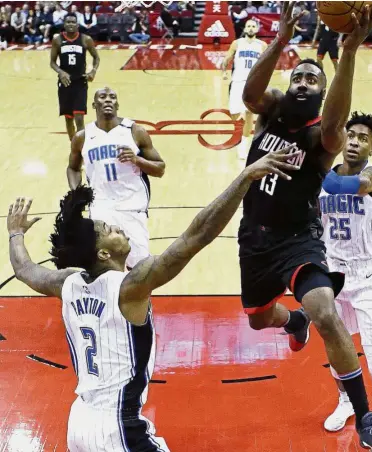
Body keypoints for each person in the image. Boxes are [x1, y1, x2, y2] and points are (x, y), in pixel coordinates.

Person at [7, 147, 298, 452]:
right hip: (119, 428)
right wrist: (245, 177)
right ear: (104, 253)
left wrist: (15, 233)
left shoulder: (65, 282)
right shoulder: (130, 285)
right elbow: (196, 236)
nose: (117, 227)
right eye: (109, 230)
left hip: (79, 422)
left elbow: (25, 269)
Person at [239, 3, 372, 451]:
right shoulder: (270, 111)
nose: (305, 83)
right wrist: (279, 39)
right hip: (254, 239)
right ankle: (293, 321)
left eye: (315, 79)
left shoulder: (321, 137)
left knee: (327, 315)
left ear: (324, 92)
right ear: (289, 84)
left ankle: (368, 419)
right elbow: (250, 96)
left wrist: (347, 53)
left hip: (303, 242)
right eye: (300, 77)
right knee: (258, 320)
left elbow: (334, 132)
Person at [319, 112, 372, 439]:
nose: (354, 141)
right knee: (337, 349)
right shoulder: (324, 176)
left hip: (367, 277)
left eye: (363, 138)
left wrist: (311, 163)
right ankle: (347, 401)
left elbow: (346, 185)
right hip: (332, 276)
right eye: (350, 134)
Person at [67, 87, 165, 270]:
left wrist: (137, 160)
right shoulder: (82, 137)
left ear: (117, 104)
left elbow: (160, 169)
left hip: (131, 206)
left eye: (112, 97)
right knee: (104, 266)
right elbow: (73, 168)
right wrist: (76, 191)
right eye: (102, 97)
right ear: (94, 104)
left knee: (140, 269)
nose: (108, 100)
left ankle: (141, 299)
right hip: (100, 206)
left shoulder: (135, 131)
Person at [221, 19, 267, 159]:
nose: (251, 28)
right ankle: (241, 125)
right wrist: (224, 71)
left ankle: (244, 144)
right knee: (234, 113)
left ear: (257, 29)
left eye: (253, 26)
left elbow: (267, 63)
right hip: (237, 81)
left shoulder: (262, 45)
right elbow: (227, 59)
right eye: (249, 26)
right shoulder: (237, 43)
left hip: (252, 83)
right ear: (245, 29)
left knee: (248, 113)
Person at [50, 13, 100, 141]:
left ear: (77, 24)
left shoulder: (85, 39)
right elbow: (52, 62)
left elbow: (96, 57)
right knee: (68, 118)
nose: (70, 24)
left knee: (79, 117)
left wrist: (93, 71)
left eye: (73, 22)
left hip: (80, 82)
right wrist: (61, 72)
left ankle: (81, 148)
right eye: (68, 22)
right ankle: (73, 145)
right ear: (64, 24)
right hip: (65, 83)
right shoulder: (58, 40)